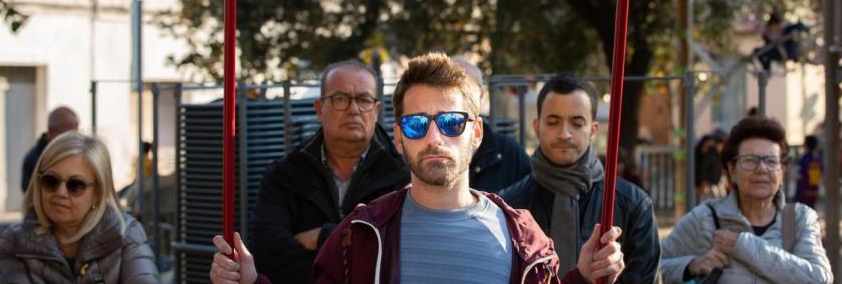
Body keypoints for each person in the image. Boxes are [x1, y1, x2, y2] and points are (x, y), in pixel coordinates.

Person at [211, 52, 624, 284]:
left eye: (450, 122)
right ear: (397, 136)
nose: (434, 137)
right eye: (416, 123)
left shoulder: (524, 238)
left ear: (476, 132)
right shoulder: (360, 234)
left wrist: (583, 279)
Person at [247, 60, 409, 283]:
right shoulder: (284, 175)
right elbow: (270, 257)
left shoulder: (402, 178)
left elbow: (397, 258)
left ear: (377, 110)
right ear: (319, 109)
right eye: (340, 98)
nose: (353, 109)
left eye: (363, 100)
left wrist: (322, 236)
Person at [501, 74, 661, 283]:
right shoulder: (509, 208)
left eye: (577, 123)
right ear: (536, 126)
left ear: (594, 129)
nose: (564, 133)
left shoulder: (633, 204)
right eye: (553, 122)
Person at [660, 116, 832, 284]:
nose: (762, 169)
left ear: (782, 171)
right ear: (732, 170)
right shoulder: (704, 219)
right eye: (749, 160)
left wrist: (742, 245)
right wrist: (690, 265)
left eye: (771, 161)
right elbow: (651, 266)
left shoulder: (799, 219)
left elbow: (819, 278)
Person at [0, 132, 158, 283]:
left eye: (75, 185)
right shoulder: (17, 241)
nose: (60, 193)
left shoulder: (125, 234)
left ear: (98, 193)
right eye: (51, 181)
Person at [453, 56, 531, 193]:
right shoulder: (424, 148)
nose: (457, 98)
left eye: (466, 90)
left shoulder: (508, 152)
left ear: (481, 95)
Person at [21, 106, 79, 192]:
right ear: (51, 132)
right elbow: (31, 195)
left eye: (76, 133)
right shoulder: (35, 160)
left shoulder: (78, 154)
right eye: (68, 134)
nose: (74, 138)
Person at [794, 135, 822, 209]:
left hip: (803, 190)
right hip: (814, 190)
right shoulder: (818, 158)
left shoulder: (805, 158)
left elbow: (799, 174)